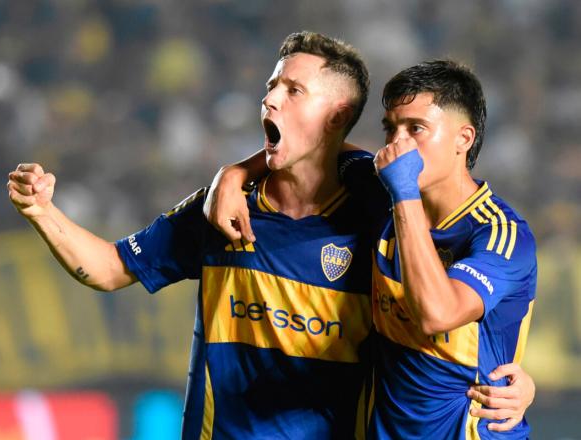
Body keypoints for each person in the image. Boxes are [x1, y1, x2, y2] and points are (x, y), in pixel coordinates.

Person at [9, 31, 377, 438]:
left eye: (294, 90)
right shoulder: (221, 210)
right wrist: (41, 212)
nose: (270, 99)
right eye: (272, 86)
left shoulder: (375, 220)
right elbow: (109, 268)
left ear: (337, 116)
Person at [206, 60, 537, 439]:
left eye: (416, 128)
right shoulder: (382, 189)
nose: (399, 143)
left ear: (463, 138)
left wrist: (403, 193)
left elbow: (436, 314)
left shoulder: (500, 234)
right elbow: (308, 148)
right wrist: (233, 174)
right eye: (391, 129)